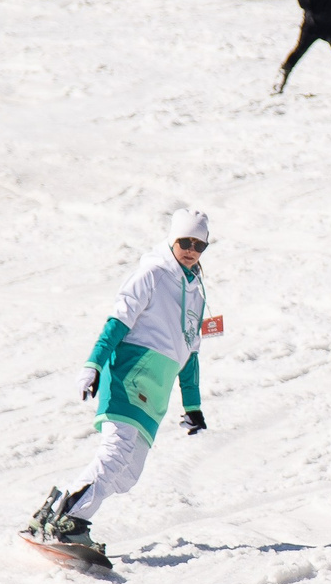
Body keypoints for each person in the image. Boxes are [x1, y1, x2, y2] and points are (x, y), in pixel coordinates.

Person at [30, 209, 215, 550]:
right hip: (129, 375)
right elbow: (117, 321)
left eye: (198, 244)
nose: (190, 249)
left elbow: (191, 352)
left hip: (155, 393)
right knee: (116, 453)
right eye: (184, 242)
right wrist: (94, 364)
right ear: (172, 240)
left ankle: (56, 511)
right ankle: (70, 523)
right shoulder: (152, 274)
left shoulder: (198, 294)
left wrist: (193, 405)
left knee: (128, 474)